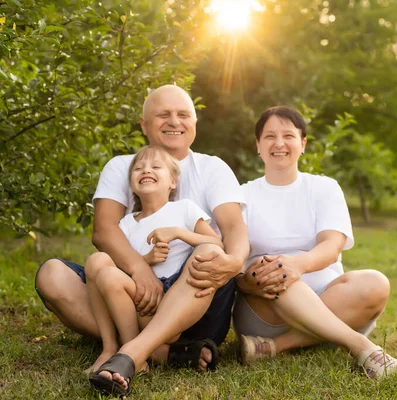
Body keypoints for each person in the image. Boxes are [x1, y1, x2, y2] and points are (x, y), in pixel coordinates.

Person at [34, 85, 248, 395]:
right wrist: (140, 268)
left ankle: (131, 354)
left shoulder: (213, 168)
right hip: (135, 293)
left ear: (194, 123)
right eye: (163, 114)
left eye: (183, 114)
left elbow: (234, 229)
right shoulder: (122, 166)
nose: (174, 121)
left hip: (195, 297)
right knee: (52, 275)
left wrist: (234, 261)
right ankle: (164, 353)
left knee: (208, 253)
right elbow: (105, 230)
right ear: (143, 124)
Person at [232, 106, 397, 379]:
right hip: (264, 308)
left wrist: (296, 265)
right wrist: (250, 280)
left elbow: (332, 245)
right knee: (274, 269)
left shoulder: (324, 188)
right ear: (258, 145)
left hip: (333, 301)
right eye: (269, 136)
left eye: (288, 135)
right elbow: (235, 254)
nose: (279, 143)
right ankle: (360, 345)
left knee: (376, 282)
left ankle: (276, 347)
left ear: (303, 144)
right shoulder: (242, 195)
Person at [85, 145, 223, 379]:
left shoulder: (184, 209)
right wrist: (146, 260)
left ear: (173, 181)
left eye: (155, 166)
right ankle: (117, 350)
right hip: (137, 300)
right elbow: (118, 272)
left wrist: (178, 233)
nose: (146, 170)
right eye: (138, 168)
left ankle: (133, 352)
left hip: (170, 303)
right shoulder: (126, 224)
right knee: (98, 262)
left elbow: (216, 244)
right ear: (131, 185)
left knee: (207, 251)